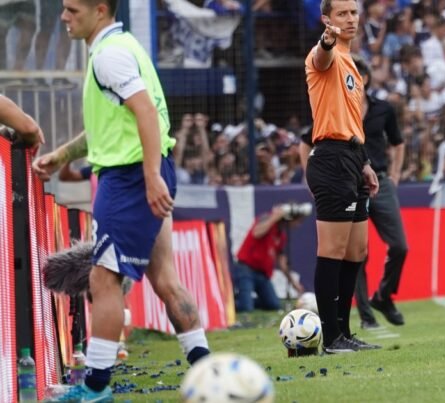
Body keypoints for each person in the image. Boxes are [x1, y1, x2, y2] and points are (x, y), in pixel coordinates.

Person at [32, 1, 210, 400]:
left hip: (130, 177)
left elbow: (145, 113)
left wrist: (149, 177)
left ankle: (95, 387)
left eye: (72, 9)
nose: (64, 17)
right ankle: (208, 369)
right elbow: (118, 123)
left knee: (103, 279)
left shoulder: (108, 56)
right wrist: (62, 155)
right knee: (165, 279)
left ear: (100, 10)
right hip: (146, 170)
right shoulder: (124, 47)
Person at [303, 0, 380, 354]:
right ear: (326, 19)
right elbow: (321, 57)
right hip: (331, 159)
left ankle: (344, 331)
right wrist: (327, 40)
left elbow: (350, 123)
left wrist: (364, 162)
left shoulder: (351, 63)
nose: (350, 19)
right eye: (342, 14)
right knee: (332, 249)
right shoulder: (326, 54)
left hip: (351, 157)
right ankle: (330, 335)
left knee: (356, 250)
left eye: (353, 12)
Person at [347, 55, 408, 329]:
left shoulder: (383, 109)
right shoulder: (337, 109)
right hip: (349, 184)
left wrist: (395, 175)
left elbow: (398, 142)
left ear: (366, 78)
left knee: (399, 246)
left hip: (381, 182)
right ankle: (366, 316)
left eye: (358, 75)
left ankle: (383, 296)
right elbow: (307, 140)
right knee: (358, 252)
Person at [234, 204, 306, 312]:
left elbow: (282, 264)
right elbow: (256, 233)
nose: (298, 225)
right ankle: (237, 301)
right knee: (245, 308)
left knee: (274, 305)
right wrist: (275, 216)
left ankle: (244, 299)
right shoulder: (266, 219)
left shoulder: (281, 236)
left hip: (262, 274)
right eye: (298, 221)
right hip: (246, 269)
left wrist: (294, 284)